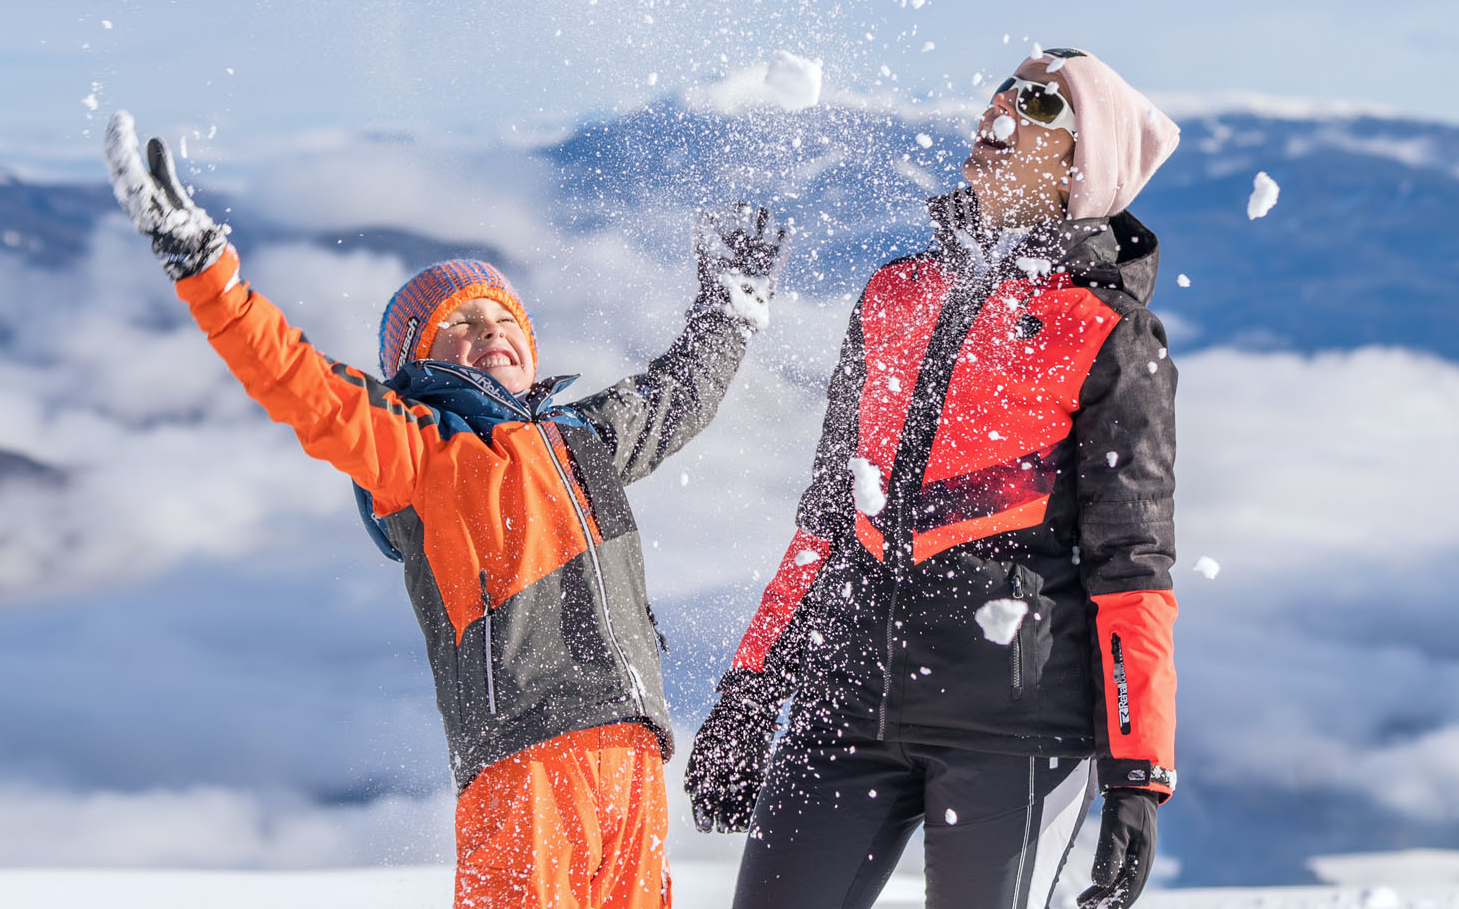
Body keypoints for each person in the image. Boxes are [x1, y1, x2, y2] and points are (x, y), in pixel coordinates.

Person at [102, 110, 789, 909]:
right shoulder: (419, 453)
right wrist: (204, 269)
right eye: (459, 321)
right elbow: (296, 382)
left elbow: (680, 393)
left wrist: (729, 312)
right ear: (415, 363)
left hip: (633, 763)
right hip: (525, 765)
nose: (489, 328)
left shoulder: (583, 440)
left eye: (503, 317)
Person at [685, 48, 1181, 909]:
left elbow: (1133, 566)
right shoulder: (894, 294)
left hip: (1016, 730)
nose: (1000, 110)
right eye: (1001, 90)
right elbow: (829, 517)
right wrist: (753, 687)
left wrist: (1140, 774)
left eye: (1039, 105)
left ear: (1083, 162)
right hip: (845, 707)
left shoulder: (1108, 333)